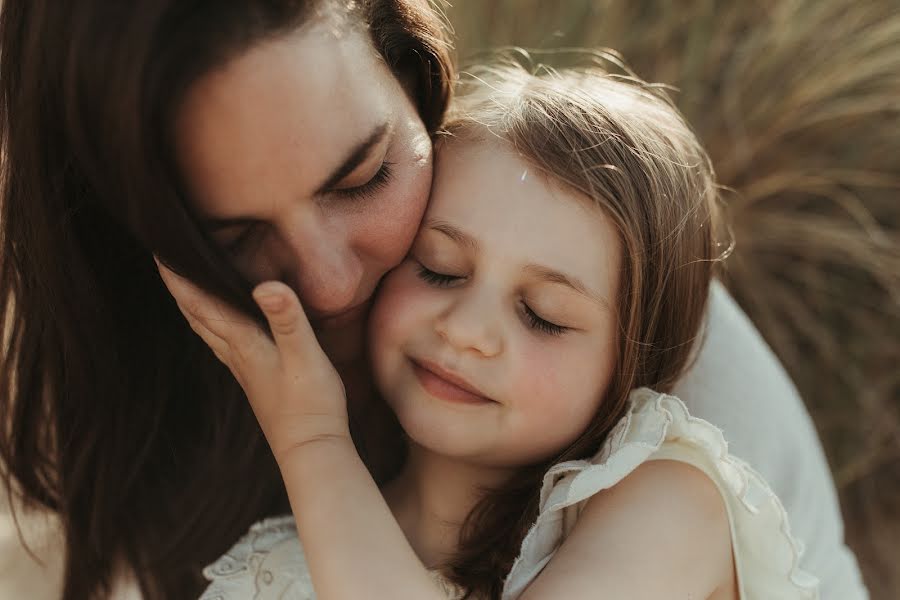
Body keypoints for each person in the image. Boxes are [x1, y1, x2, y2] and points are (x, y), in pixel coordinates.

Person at [0, 1, 866, 599]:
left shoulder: (662, 435)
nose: (331, 285)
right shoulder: (133, 376)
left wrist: (310, 443)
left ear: (414, 81)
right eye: (230, 239)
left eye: (366, 179)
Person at [166, 62, 816, 599]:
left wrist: (311, 438)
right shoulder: (285, 559)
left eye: (543, 315)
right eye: (441, 270)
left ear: (634, 361)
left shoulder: (670, 503)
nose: (469, 331)